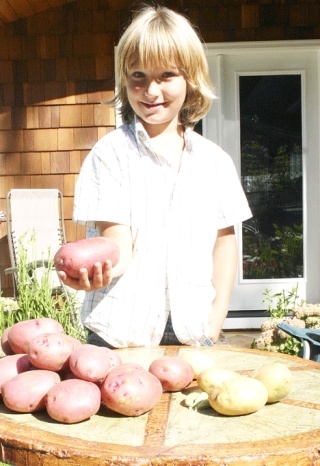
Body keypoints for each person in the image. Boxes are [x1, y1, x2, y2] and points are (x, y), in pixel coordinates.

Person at [58, 5, 252, 348]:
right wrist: (100, 271)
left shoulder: (214, 162)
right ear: (125, 79)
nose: (151, 91)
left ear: (190, 79)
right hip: (120, 335)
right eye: (139, 76)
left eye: (167, 76)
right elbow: (118, 245)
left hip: (194, 332)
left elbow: (224, 243)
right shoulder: (110, 155)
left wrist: (216, 320)